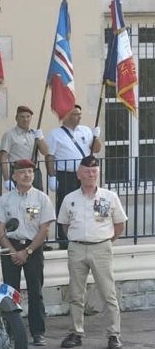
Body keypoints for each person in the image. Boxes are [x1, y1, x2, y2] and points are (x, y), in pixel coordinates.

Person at [56, 156, 126, 349]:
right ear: (79, 174)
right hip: (77, 248)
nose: (90, 175)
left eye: (94, 172)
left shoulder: (109, 197)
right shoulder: (70, 199)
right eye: (86, 172)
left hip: (101, 247)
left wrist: (105, 241)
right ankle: (76, 333)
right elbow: (64, 225)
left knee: (108, 292)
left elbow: (120, 225)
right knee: (76, 293)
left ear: (99, 173)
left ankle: (114, 335)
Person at [0, 160, 56, 346]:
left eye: (30, 171)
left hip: (33, 247)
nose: (27, 175)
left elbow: (44, 229)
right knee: (10, 292)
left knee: (36, 291)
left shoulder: (41, 198)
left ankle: (38, 332)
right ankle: (11, 331)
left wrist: (27, 252)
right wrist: (13, 252)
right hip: (10, 246)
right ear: (13, 176)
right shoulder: (5, 200)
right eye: (22, 172)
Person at [46, 104, 102, 247]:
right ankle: (64, 237)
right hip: (66, 174)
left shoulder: (85, 130)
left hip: (85, 174)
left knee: (86, 203)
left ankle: (85, 234)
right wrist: (52, 176)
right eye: (75, 114)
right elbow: (49, 156)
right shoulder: (55, 134)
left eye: (79, 114)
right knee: (66, 204)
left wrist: (96, 137)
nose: (79, 117)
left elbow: (96, 149)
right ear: (66, 116)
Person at [0, 106, 47, 191]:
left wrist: (41, 138)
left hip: (34, 171)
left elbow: (45, 152)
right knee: (18, 199)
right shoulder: (10, 134)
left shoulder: (34, 134)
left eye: (28, 117)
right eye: (22, 117)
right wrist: (6, 179)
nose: (25, 119)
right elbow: (3, 158)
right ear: (16, 118)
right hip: (18, 172)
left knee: (37, 199)